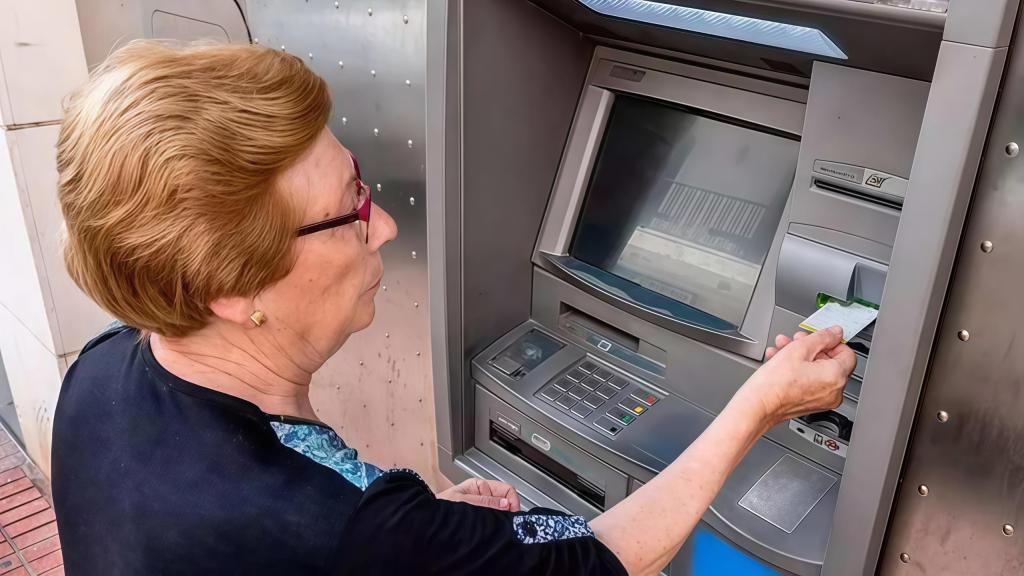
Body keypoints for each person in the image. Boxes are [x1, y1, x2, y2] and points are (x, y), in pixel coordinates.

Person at [51, 41, 855, 576]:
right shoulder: (350, 532)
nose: (387, 226)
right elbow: (601, 563)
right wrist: (761, 402)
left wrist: (423, 535)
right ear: (234, 287)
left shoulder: (103, 374)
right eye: (350, 207)